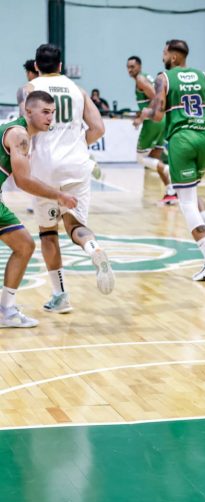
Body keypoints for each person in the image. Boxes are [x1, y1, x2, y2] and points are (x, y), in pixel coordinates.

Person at [20, 43, 114, 313]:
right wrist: (78, 145)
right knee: (75, 225)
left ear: (36, 66)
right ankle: (93, 248)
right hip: (76, 165)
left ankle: (60, 296)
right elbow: (98, 128)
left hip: (44, 167)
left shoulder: (30, 89)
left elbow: (26, 128)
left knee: (49, 233)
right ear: (60, 66)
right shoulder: (78, 90)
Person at [137, 39, 205, 281]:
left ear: (174, 56)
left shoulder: (164, 78)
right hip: (204, 139)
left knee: (186, 202)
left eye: (164, 53)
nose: (162, 57)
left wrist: (146, 113)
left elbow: (158, 116)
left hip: (182, 140)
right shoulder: (204, 76)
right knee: (191, 191)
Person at [0, 91, 78, 327]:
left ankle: (6, 310)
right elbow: (23, 180)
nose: (50, 118)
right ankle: (5, 310)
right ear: (28, 111)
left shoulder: (19, 133)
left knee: (24, 245)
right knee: (24, 245)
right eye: (44, 112)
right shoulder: (19, 134)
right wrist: (59, 195)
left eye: (52, 113)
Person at [126, 56, 176, 205]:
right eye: (128, 67)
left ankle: (169, 170)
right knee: (155, 159)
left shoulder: (140, 79)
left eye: (132, 66)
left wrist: (141, 118)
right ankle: (171, 192)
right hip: (162, 119)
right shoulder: (146, 77)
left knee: (140, 158)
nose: (130, 70)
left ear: (139, 66)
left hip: (153, 121)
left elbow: (156, 97)